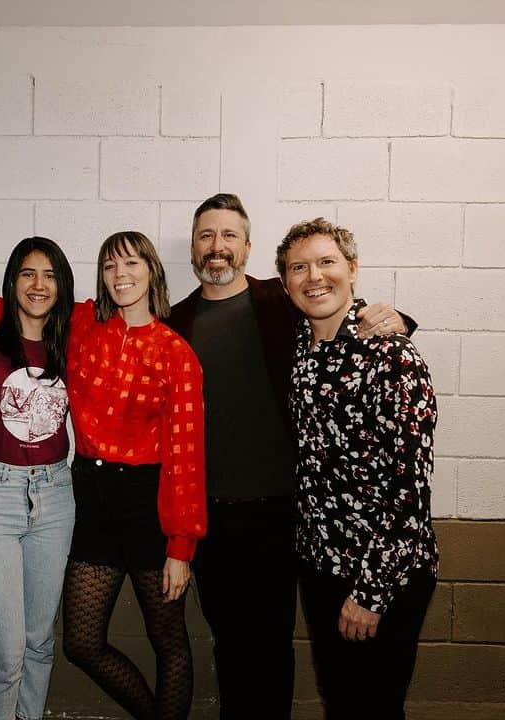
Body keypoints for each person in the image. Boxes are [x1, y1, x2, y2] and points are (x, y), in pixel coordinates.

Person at [164, 194, 411, 719]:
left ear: (247, 247)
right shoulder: (175, 320)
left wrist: (395, 317)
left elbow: (341, 313)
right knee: (229, 643)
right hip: (208, 513)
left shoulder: (280, 301)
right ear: (192, 248)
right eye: (206, 235)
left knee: (273, 644)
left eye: (230, 235)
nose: (218, 246)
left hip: (283, 511)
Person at [0, 231, 207, 720]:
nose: (121, 275)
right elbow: (30, 296)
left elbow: (187, 455)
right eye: (109, 266)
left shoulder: (176, 352)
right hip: (87, 498)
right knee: (80, 642)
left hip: (149, 503)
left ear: (152, 271)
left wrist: (180, 545)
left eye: (132, 264)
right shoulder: (83, 325)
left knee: (169, 641)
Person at [276, 218, 438, 720]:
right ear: (285, 283)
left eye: (326, 263)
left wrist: (370, 592)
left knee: (374, 708)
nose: (313, 277)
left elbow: (409, 487)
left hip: (383, 571)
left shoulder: (392, 355)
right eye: (298, 268)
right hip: (322, 562)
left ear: (352, 269)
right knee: (341, 702)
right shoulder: (302, 347)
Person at [0, 237, 77, 720]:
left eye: (50, 275)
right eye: (27, 273)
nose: (39, 284)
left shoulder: (74, 341)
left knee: (40, 641)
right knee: (5, 652)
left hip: (55, 497)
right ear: (12, 281)